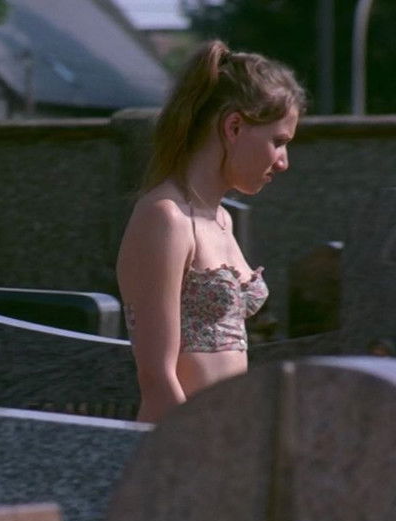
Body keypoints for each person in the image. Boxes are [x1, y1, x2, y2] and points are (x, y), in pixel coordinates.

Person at [117, 39, 306, 423]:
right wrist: (199, 448)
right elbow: (157, 378)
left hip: (228, 431)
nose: (283, 162)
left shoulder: (221, 220)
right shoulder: (165, 218)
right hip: (182, 438)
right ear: (234, 126)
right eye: (278, 142)